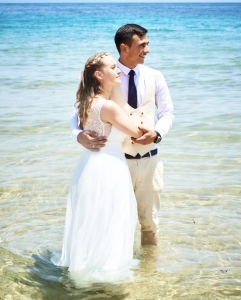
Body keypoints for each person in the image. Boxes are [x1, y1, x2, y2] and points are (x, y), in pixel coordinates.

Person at [71, 24, 174, 247]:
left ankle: (149, 277)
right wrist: (78, 135)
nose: (147, 50)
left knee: (150, 222)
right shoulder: (106, 75)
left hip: (149, 161)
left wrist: (157, 134)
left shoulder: (155, 76)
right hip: (118, 163)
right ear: (124, 48)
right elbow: (82, 111)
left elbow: (167, 113)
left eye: (147, 44)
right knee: (115, 223)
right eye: (142, 45)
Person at [56, 52, 143, 283]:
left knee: (93, 218)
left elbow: (74, 122)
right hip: (110, 167)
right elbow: (135, 131)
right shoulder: (108, 107)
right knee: (111, 217)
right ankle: (107, 271)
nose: (118, 71)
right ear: (98, 75)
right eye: (113, 67)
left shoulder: (85, 103)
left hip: (88, 165)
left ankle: (87, 266)